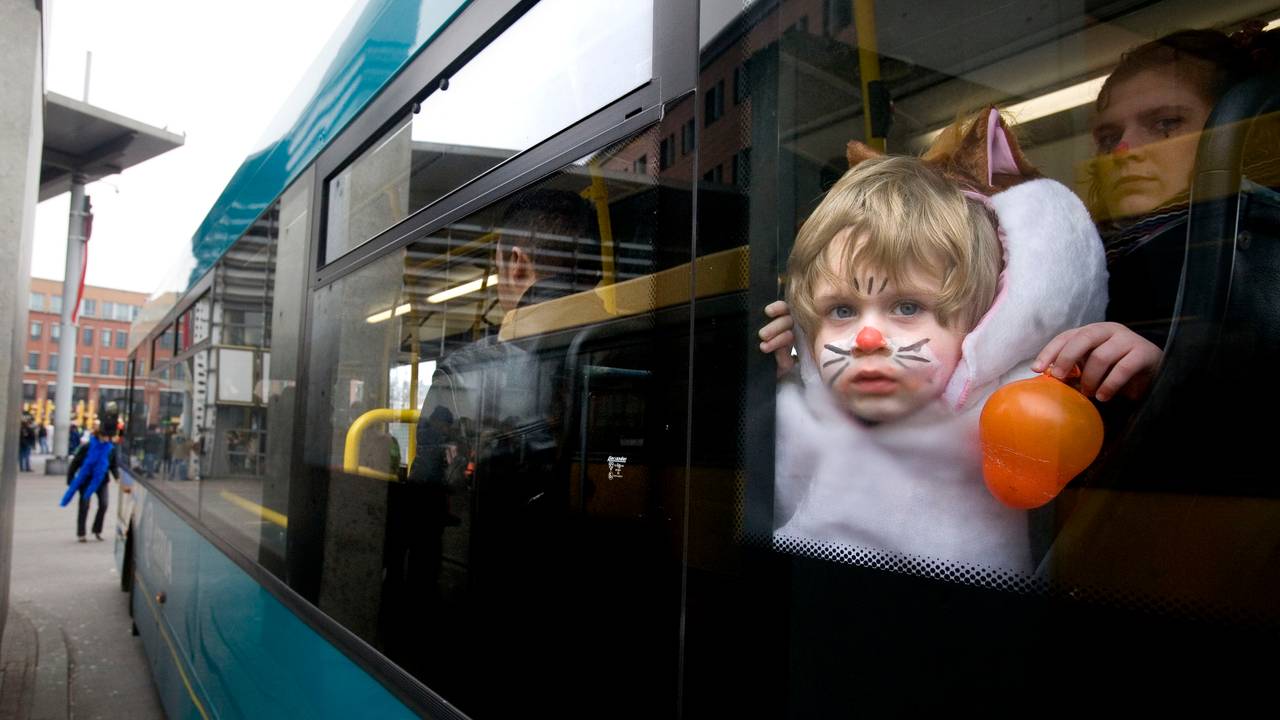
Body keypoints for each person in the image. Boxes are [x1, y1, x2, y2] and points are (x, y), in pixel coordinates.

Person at [770, 109, 1107, 574]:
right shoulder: (817, 406)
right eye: (841, 311)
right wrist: (789, 369)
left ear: (985, 321)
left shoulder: (1019, 396)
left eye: (908, 307)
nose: (867, 339)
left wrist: (1128, 368)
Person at [61, 423, 119, 542]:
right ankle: (81, 533)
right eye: (105, 436)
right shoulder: (87, 447)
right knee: (84, 506)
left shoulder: (110, 449)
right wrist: (70, 478)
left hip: (101, 481)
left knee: (104, 504)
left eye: (109, 437)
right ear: (99, 435)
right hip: (86, 481)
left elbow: (113, 465)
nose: (107, 439)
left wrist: (117, 477)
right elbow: (75, 462)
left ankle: (97, 530)